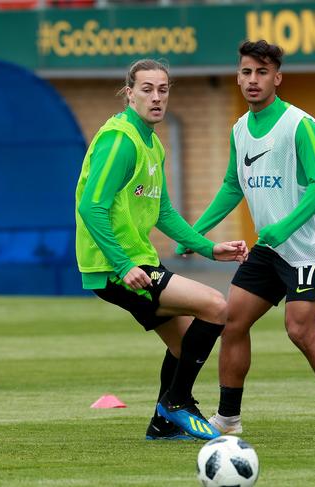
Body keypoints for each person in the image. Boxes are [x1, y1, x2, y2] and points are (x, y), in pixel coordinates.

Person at [176, 40, 315, 436]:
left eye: (262, 72)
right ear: (238, 77)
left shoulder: (301, 125)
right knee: (232, 323)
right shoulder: (239, 129)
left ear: (277, 78)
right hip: (268, 249)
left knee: (299, 330)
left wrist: (284, 227)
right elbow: (233, 185)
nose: (253, 80)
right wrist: (195, 233)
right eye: (246, 72)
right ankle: (228, 419)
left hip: (307, 250)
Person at [75, 59, 248, 441]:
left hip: (133, 262)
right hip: (115, 266)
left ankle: (162, 424)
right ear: (129, 93)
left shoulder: (151, 142)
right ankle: (177, 402)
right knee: (216, 306)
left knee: (184, 342)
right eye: (147, 89)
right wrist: (122, 264)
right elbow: (91, 207)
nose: (156, 97)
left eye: (163, 89)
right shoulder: (120, 140)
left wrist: (206, 247)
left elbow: (163, 210)